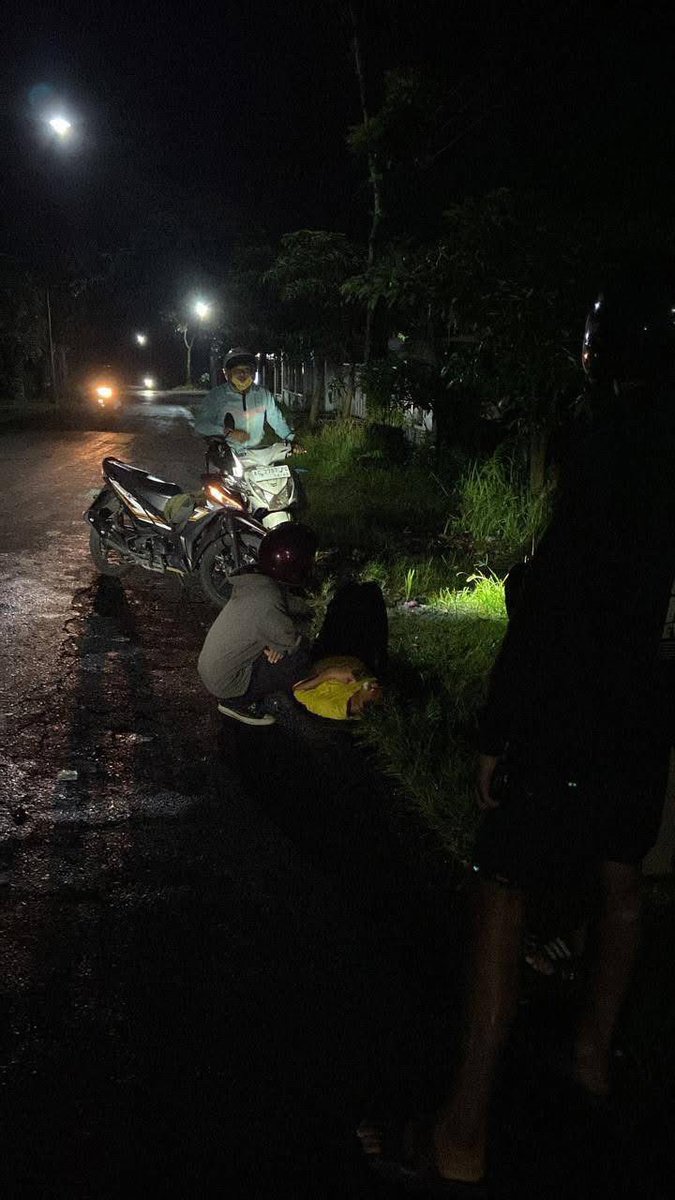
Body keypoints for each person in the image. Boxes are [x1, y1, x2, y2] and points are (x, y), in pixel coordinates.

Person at [358, 265, 675, 1189]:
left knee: (501, 887)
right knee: (621, 881)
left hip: (573, 706)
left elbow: (558, 606)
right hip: (647, 711)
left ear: (598, 351)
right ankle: (589, 1056)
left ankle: (460, 1135)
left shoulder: (608, 439)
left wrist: (500, 725)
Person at [197, 523, 317, 726]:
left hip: (214, 670)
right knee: (296, 660)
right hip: (227, 683)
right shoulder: (268, 601)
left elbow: (280, 616)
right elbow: (292, 643)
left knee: (278, 649)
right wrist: (285, 644)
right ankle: (237, 702)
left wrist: (275, 643)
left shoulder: (255, 584)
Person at [193, 347, 296, 450]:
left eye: (247, 370)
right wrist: (227, 432)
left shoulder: (263, 394)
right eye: (237, 370)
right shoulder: (216, 395)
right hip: (226, 452)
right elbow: (201, 425)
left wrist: (291, 439)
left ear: (253, 373)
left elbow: (276, 420)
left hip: (257, 452)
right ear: (227, 374)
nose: (242, 374)